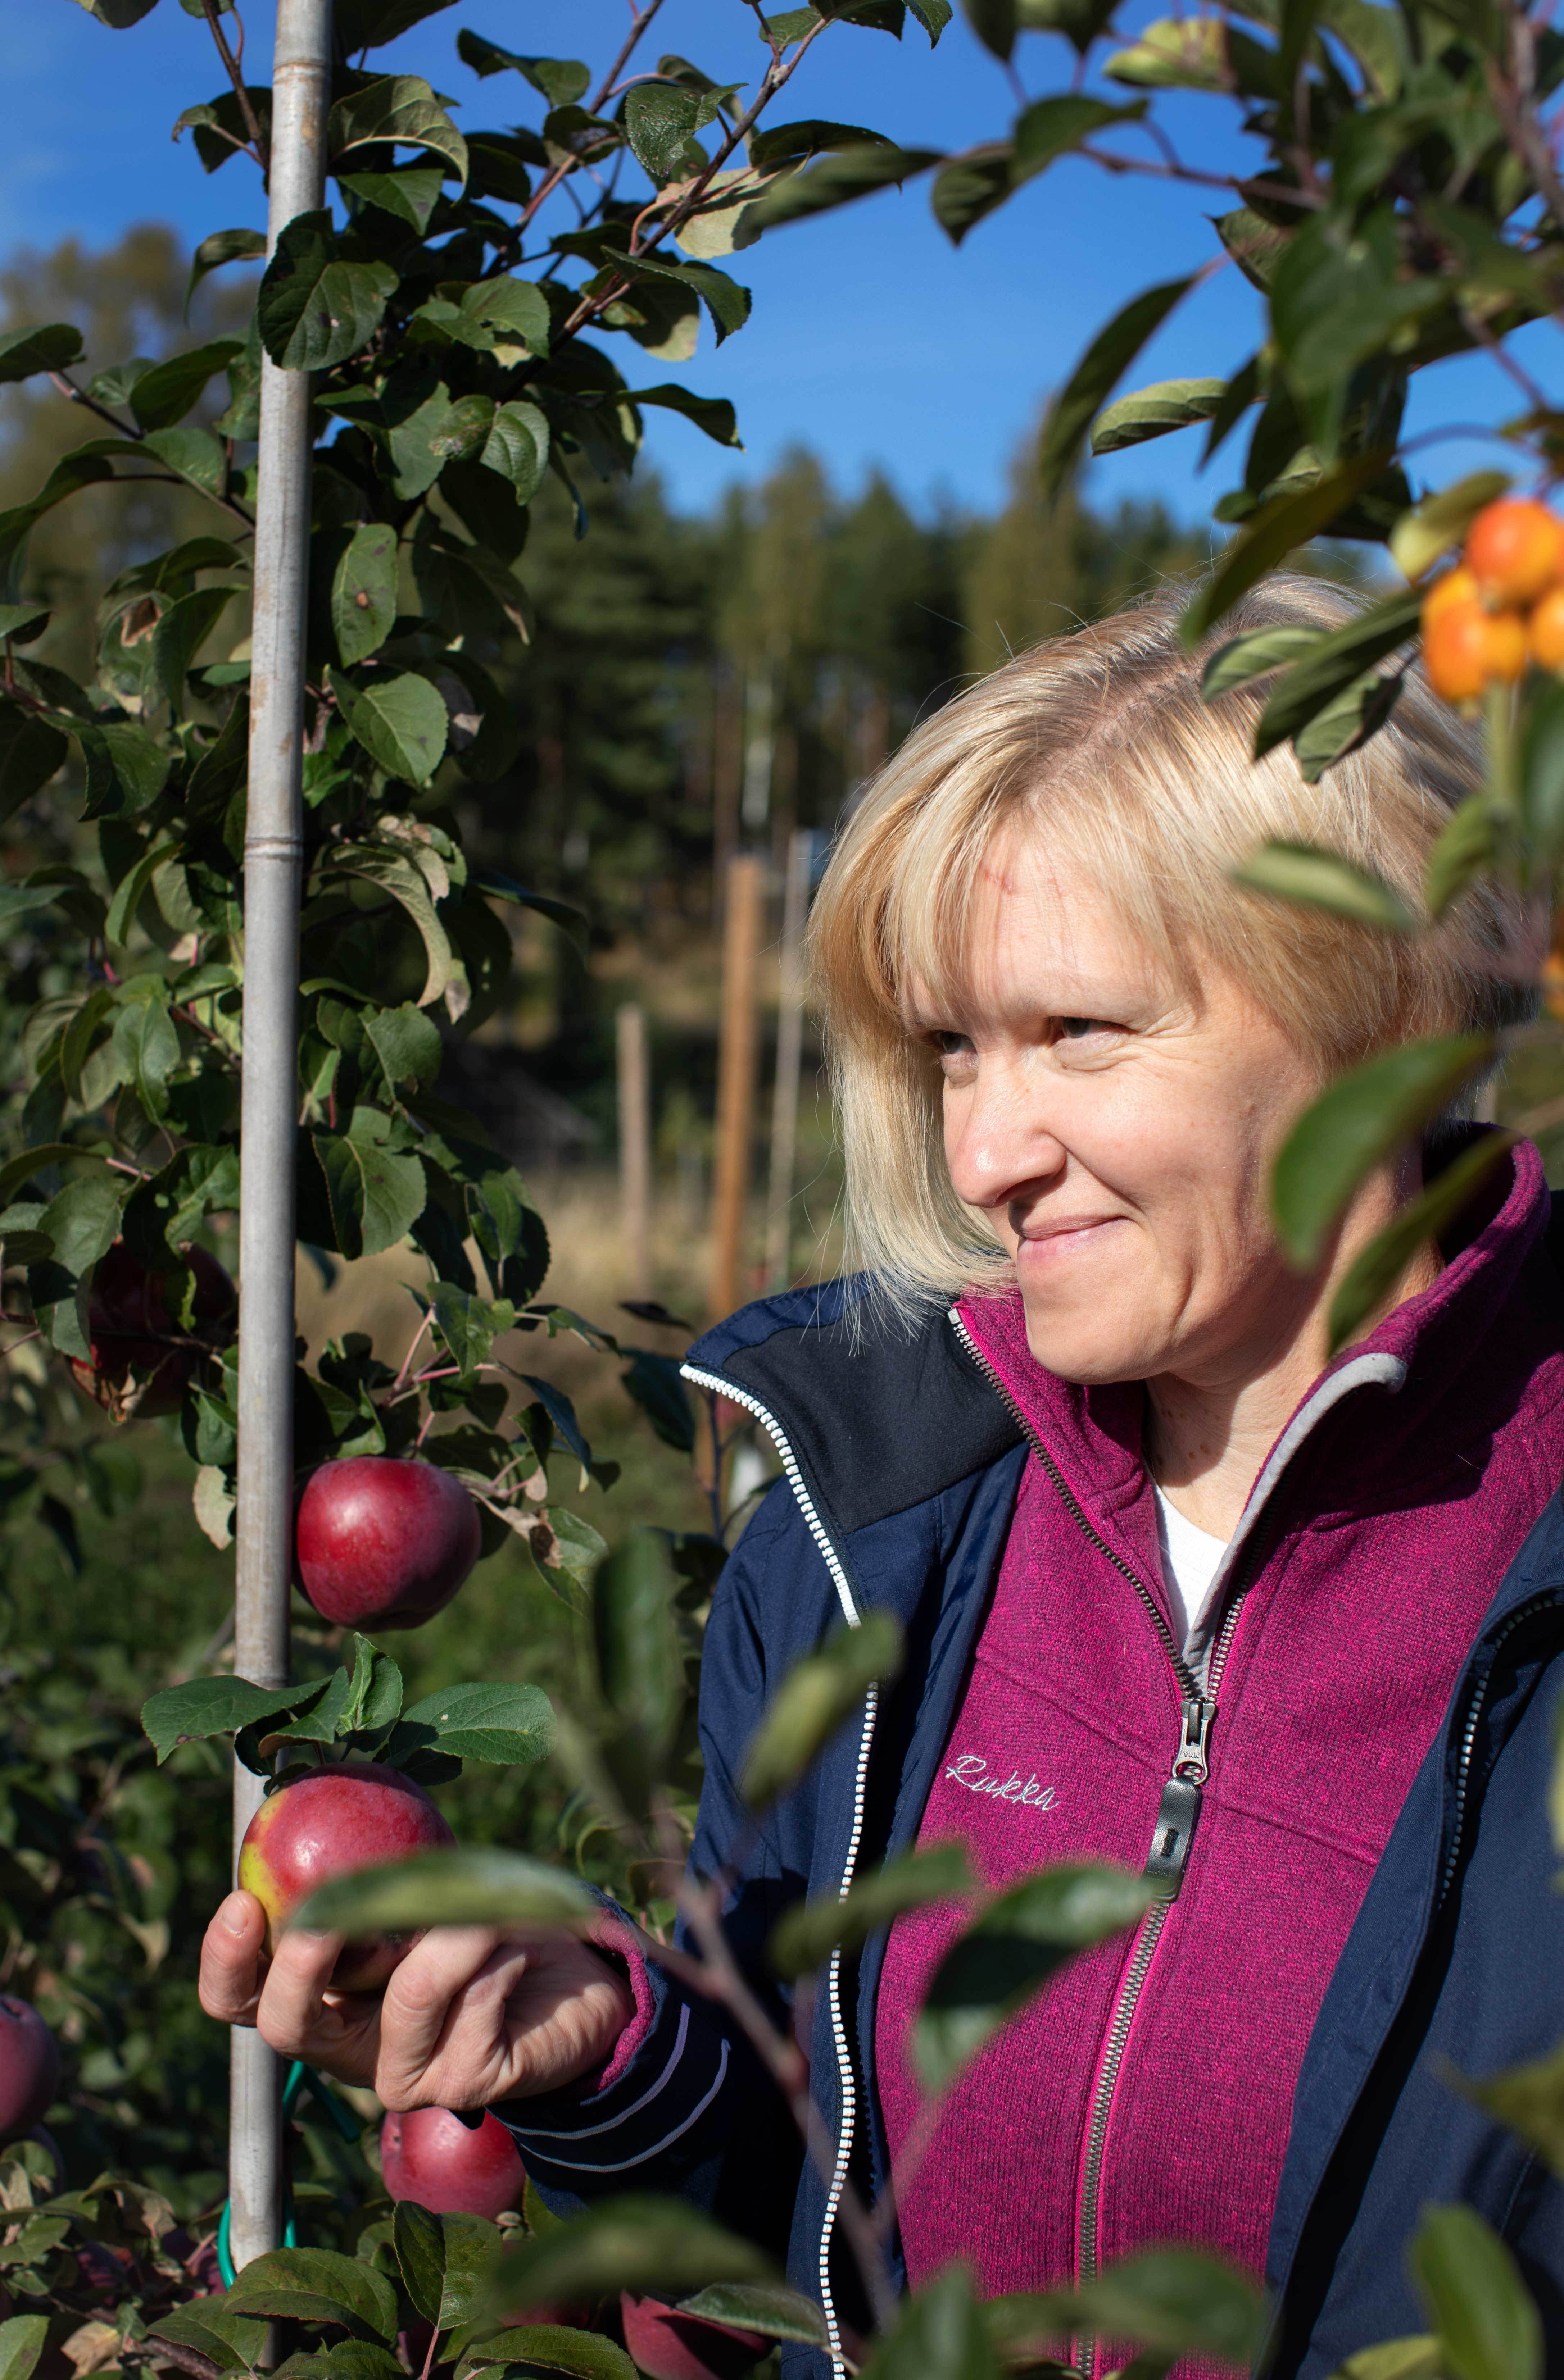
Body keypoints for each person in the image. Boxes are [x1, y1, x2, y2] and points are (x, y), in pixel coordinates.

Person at [200, 576, 1564, 2380]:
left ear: (1383, 1009)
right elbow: (798, 2188)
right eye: (947, 1047)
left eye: (1080, 1028)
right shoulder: (884, 1525)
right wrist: (616, 2046)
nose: (986, 1152)